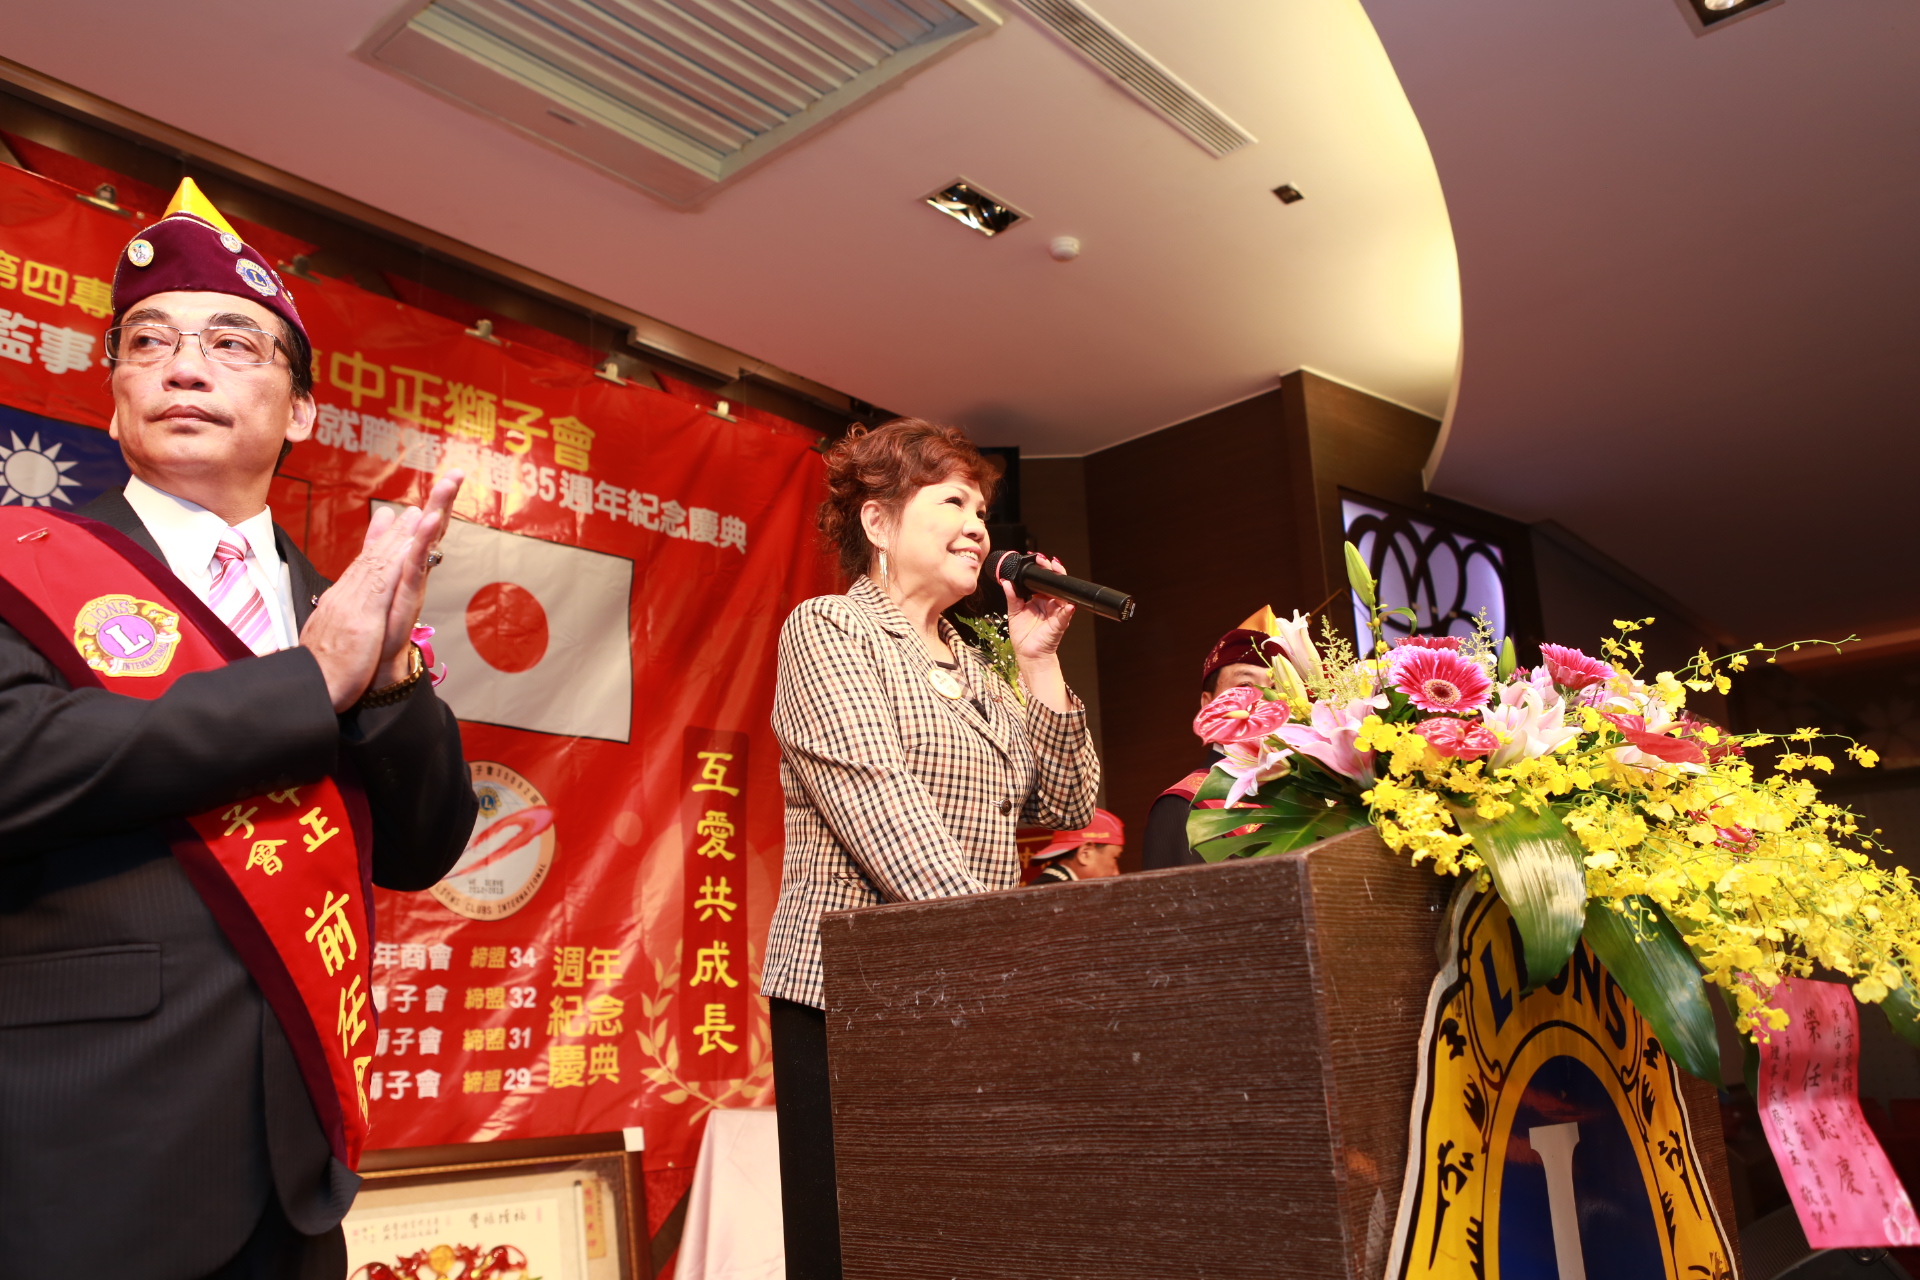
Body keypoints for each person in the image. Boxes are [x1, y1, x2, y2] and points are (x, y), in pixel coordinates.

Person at [0, 180, 476, 1279]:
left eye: (231, 342)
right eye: (148, 342)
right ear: (114, 394)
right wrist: (312, 682)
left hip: (296, 1167)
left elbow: (423, 847)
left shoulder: (337, 600)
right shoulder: (22, 565)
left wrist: (387, 677)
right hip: (80, 1159)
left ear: (300, 410)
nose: (184, 367)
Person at [763, 418, 1100, 1280]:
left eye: (982, 510)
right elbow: (886, 813)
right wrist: (1004, 959)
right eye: (952, 501)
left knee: (958, 1239)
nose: (978, 527)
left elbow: (1066, 805)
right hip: (853, 999)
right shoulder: (830, 630)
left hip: (964, 989)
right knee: (863, 1247)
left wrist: (1038, 661)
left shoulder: (976, 665)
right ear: (877, 522)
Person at [1140, 618, 1283, 870]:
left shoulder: (1313, 789)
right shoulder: (1184, 806)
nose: (1263, 699)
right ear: (1208, 704)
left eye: (1275, 687)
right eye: (1245, 685)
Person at [1026, 808, 1126, 883]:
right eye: (1115, 858)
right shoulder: (1060, 894)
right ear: (1085, 854)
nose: (1116, 873)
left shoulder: (1050, 888)